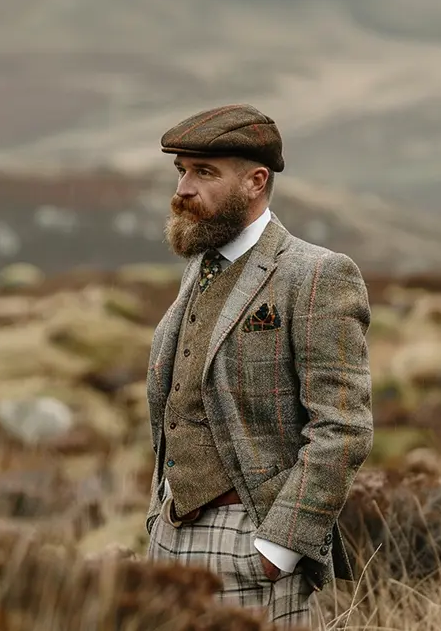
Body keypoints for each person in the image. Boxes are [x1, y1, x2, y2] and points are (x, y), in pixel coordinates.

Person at [143, 104, 373, 627]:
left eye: (204, 172)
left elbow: (343, 426)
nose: (183, 188)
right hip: (168, 537)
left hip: (250, 543)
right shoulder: (202, 264)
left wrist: (276, 549)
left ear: (256, 181)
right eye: (181, 170)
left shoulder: (317, 274)